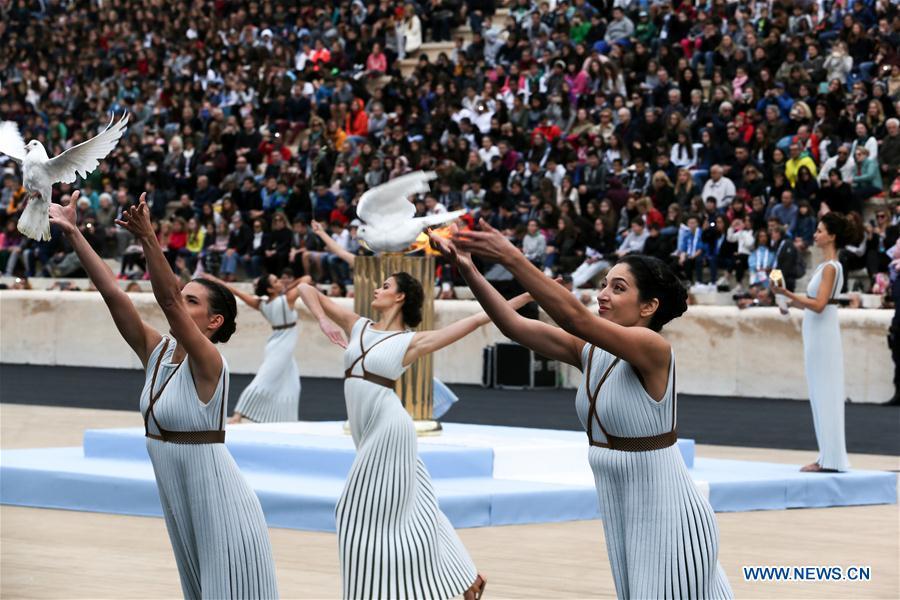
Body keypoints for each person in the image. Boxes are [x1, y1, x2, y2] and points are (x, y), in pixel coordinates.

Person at [432, 221, 732, 599]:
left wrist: (510, 255)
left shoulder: (653, 348)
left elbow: (576, 317)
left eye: (618, 288)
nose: (603, 294)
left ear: (649, 307)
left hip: (669, 514)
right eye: (604, 284)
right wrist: (468, 268)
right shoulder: (588, 350)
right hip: (625, 513)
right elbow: (512, 326)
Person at [48, 192, 277, 597]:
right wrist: (73, 233)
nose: (180, 304)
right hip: (183, 507)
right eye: (183, 298)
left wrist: (149, 236)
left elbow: (167, 300)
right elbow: (113, 295)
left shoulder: (210, 363)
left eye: (193, 302)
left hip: (222, 506)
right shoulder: (156, 352)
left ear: (214, 321)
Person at [297, 273, 531, 600]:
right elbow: (307, 288)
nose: (377, 289)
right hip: (367, 430)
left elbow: (479, 318)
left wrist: (528, 295)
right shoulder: (358, 325)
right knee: (422, 508)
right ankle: (467, 579)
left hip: (390, 430)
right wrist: (323, 320)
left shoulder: (411, 341)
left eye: (386, 286)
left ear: (400, 297)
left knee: (348, 511)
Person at [773, 213, 851, 472]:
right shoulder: (824, 266)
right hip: (817, 333)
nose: (815, 235)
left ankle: (831, 459)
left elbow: (818, 305)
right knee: (820, 393)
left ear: (832, 236)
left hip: (823, 334)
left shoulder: (831, 267)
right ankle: (827, 457)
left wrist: (786, 293)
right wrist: (786, 300)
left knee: (826, 393)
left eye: (820, 231)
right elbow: (814, 302)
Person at [203, 272, 303, 423]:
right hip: (282, 346)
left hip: (277, 343)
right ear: (270, 289)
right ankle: (238, 414)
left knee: (292, 383)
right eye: (276, 281)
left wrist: (216, 280)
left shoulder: (263, 304)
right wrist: (289, 286)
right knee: (264, 379)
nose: (280, 281)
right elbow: (306, 281)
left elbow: (236, 292)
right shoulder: (286, 299)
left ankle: (284, 419)